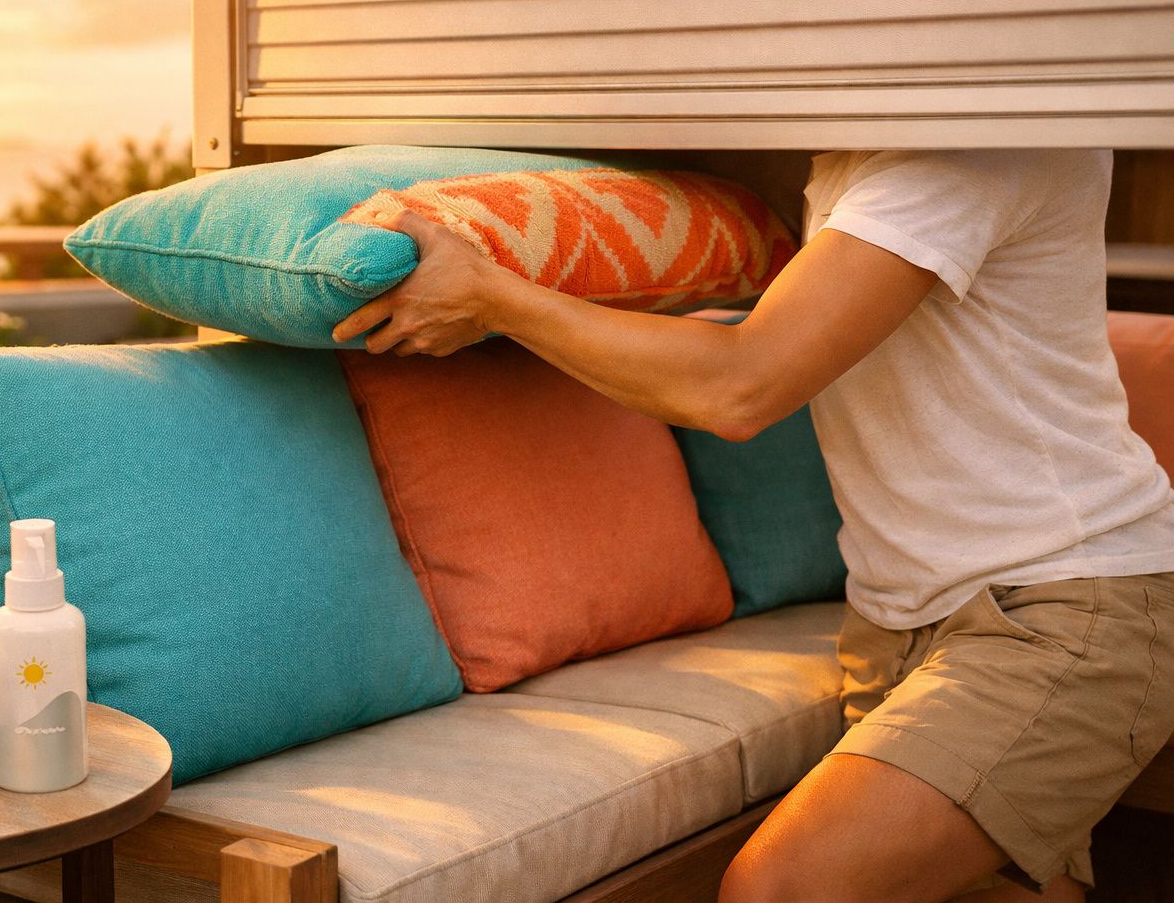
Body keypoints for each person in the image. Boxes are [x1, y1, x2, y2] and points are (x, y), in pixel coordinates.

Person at [331, 149, 1174, 903]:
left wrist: (491, 294)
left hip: (1066, 602)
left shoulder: (971, 156)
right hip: (898, 619)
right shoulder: (858, 156)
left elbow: (740, 388)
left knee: (786, 888)